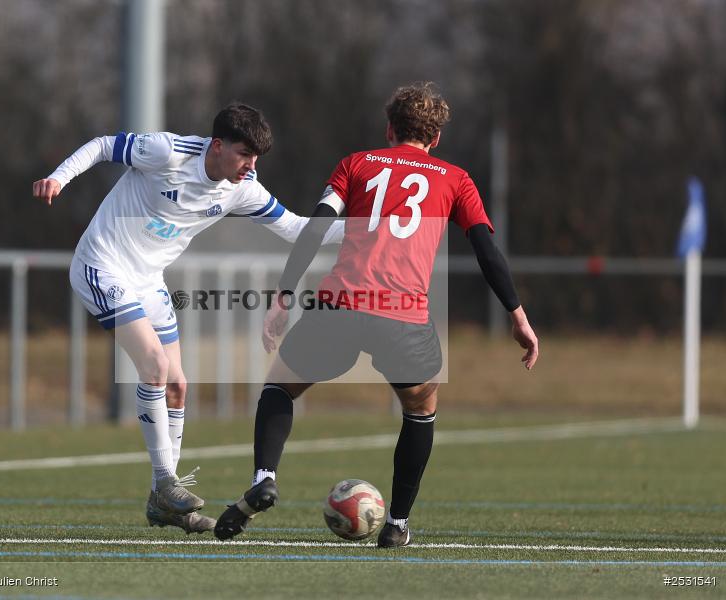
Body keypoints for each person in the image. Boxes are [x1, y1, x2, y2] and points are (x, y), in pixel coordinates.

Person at [214, 83, 539, 547]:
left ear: (389, 128)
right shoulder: (456, 178)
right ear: (436, 138)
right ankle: (397, 524)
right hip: (403, 315)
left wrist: (284, 295)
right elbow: (486, 249)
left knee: (279, 387)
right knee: (421, 409)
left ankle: (264, 477)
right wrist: (518, 314)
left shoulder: (357, 164)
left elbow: (316, 226)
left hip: (340, 304)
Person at [33, 104, 343, 534]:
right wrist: (59, 178)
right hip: (102, 264)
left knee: (178, 384)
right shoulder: (168, 153)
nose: (251, 167)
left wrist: (368, 231)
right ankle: (165, 484)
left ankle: (166, 506)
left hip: (147, 279)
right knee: (154, 367)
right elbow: (105, 146)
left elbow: (294, 228)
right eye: (244, 155)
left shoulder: (243, 187)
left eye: (256, 159)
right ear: (217, 146)